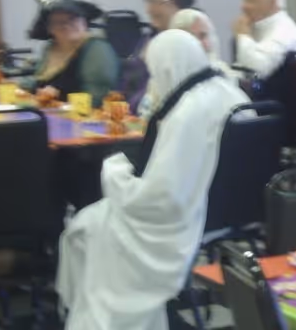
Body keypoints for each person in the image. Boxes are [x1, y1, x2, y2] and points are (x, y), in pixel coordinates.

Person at [56, 30, 248, 330]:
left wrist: (115, 173)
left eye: (155, 72)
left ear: (168, 67)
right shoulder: (230, 92)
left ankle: (103, 320)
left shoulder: (187, 112)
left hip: (181, 219)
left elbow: (159, 197)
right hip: (228, 211)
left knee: (86, 224)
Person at [20, 0, 120, 102]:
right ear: (49, 28)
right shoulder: (51, 47)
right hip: (50, 113)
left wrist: (57, 96)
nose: (66, 25)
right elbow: (39, 80)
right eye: (58, 22)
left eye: (73, 19)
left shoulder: (97, 49)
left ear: (84, 22)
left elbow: (96, 98)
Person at [232, 0, 296, 79]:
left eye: (251, 0)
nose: (243, 6)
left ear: (273, 2)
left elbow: (256, 69)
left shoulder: (284, 30)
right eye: (244, 0)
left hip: (280, 93)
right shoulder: (258, 26)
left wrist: (243, 36)